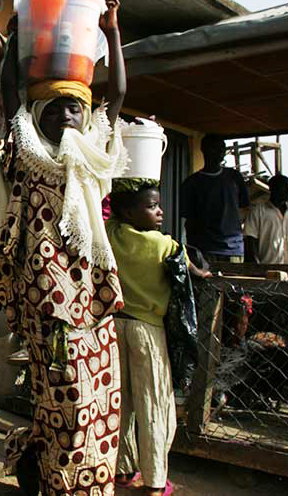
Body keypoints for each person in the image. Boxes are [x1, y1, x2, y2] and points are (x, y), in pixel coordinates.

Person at [0, 0, 127, 496]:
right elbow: (8, 97)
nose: (69, 115)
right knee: (64, 395)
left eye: (77, 107)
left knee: (97, 399)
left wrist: (112, 32)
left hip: (92, 304)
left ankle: (63, 475)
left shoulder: (89, 162)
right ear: (39, 113)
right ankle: (57, 478)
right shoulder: (26, 154)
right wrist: (13, 41)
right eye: (59, 107)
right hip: (47, 303)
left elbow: (119, 95)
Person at [106, 180, 210, 496]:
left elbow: (106, 215)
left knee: (120, 404)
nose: (160, 211)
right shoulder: (165, 245)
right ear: (128, 211)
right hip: (147, 332)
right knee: (154, 407)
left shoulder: (111, 234)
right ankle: (154, 481)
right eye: (152, 206)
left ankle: (122, 470)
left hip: (113, 328)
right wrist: (204, 274)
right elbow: (192, 270)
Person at [180, 134, 250, 262]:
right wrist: (192, 250)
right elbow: (188, 220)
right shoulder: (192, 183)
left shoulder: (234, 177)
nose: (220, 153)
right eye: (214, 148)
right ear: (203, 149)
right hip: (203, 249)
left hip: (233, 249)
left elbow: (244, 208)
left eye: (222, 149)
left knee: (233, 282)